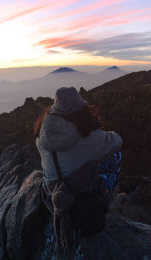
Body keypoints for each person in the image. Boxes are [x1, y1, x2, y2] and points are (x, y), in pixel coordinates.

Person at [34, 87, 123, 254]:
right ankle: (110, 199)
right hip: (81, 198)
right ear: (81, 110)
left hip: (51, 197)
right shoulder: (88, 137)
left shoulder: (41, 135)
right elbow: (117, 141)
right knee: (114, 155)